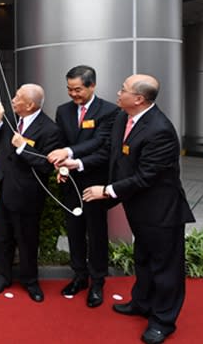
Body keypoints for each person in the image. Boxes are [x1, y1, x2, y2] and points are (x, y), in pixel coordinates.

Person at [60, 74, 195, 344]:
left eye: (123, 89)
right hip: (138, 209)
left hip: (161, 213)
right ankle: (141, 302)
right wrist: (75, 164)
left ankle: (163, 321)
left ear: (139, 99)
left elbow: (146, 176)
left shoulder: (160, 131)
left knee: (165, 269)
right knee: (143, 260)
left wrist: (106, 191)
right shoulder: (124, 117)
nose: (118, 92)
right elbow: (112, 154)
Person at [46, 65, 119, 308]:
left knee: (96, 233)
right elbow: (60, 142)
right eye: (69, 89)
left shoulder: (109, 111)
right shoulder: (63, 111)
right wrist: (63, 169)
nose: (73, 94)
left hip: (94, 183)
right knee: (74, 231)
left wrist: (73, 160)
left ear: (92, 86)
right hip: (70, 183)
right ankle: (79, 275)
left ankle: (98, 281)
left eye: (77, 89)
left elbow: (103, 147)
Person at [0, 84, 63, 303]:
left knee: (27, 240)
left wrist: (22, 148)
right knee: (3, 238)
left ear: (30, 105)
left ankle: (30, 281)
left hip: (27, 195)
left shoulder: (49, 129)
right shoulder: (10, 118)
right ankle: (1, 278)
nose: (12, 100)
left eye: (17, 97)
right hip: (4, 188)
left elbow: (46, 165)